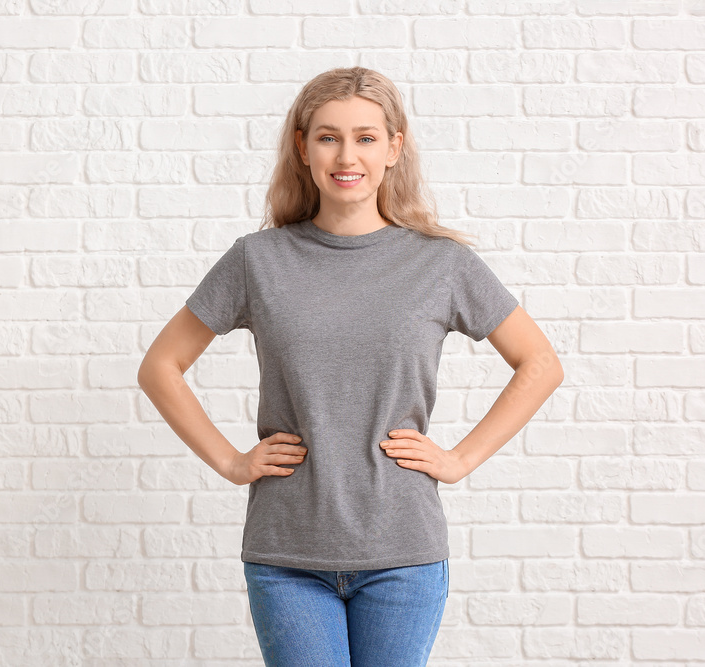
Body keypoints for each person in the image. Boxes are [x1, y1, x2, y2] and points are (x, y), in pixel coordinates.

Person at [138, 66, 564, 667]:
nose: (347, 154)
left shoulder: (441, 264)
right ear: (303, 148)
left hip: (403, 555)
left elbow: (539, 363)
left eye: (366, 137)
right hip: (288, 554)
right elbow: (161, 366)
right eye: (328, 136)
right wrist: (232, 462)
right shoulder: (258, 260)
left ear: (394, 147)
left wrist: (460, 459)